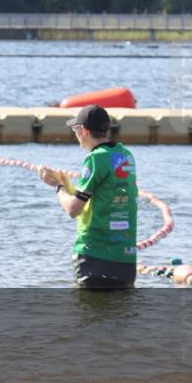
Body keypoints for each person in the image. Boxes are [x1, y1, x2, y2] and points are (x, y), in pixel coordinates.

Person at [39, 105, 138, 289]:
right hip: (125, 258)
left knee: (88, 315)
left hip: (95, 256)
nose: (75, 134)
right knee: (120, 315)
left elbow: (73, 210)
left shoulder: (95, 159)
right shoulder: (125, 155)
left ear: (84, 131)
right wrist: (69, 186)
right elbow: (104, 196)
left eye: (75, 129)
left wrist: (58, 186)